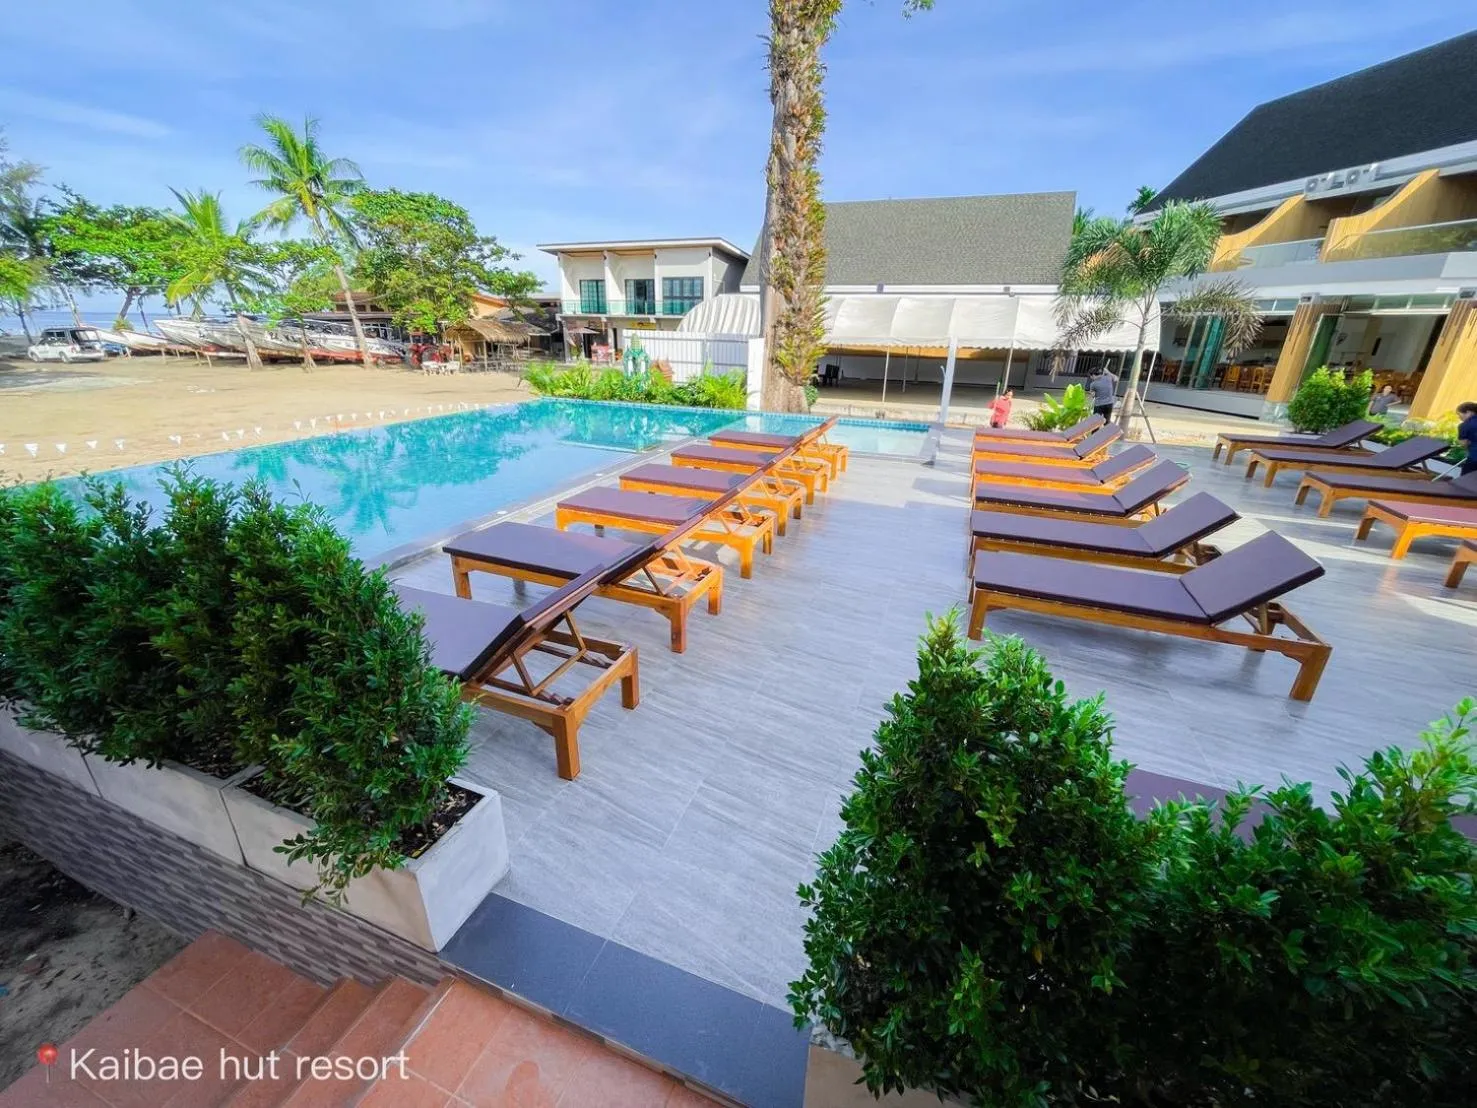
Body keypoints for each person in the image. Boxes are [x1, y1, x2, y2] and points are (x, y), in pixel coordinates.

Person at [1457, 401, 1477, 477]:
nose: (1459, 417)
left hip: (1474, 459)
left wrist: (1469, 443)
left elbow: (1463, 443)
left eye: (1459, 414)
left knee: (1464, 480)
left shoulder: (1464, 425)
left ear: (1468, 412)